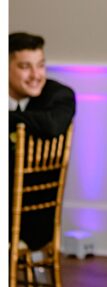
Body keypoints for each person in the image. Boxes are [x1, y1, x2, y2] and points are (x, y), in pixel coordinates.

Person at [9, 32, 76, 251]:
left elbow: (53, 125)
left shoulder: (58, 95)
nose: (36, 75)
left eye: (40, 65)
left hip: (32, 216)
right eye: (25, 67)